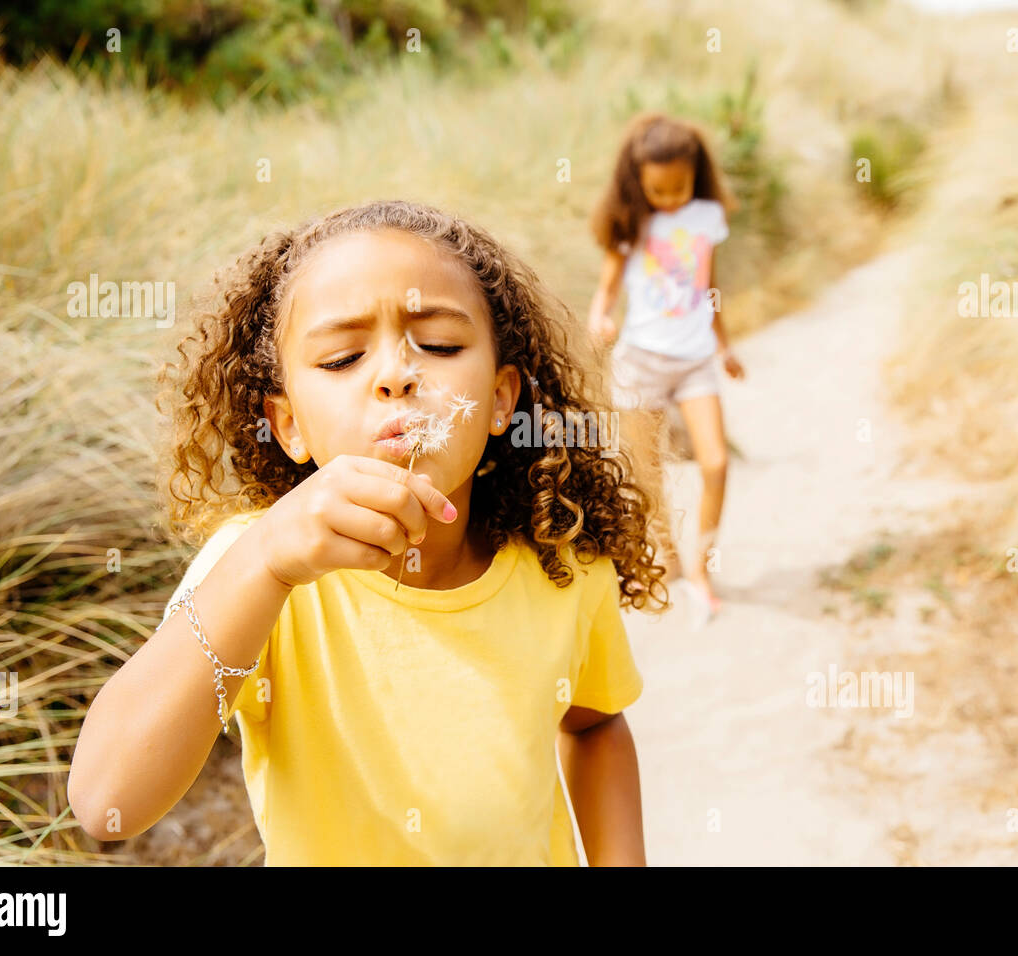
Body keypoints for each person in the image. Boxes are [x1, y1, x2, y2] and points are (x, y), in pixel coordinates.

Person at [67, 199, 671, 865]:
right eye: (342, 357)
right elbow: (106, 799)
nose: (394, 375)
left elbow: (594, 726)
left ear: (501, 400)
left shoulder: (563, 564)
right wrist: (264, 561)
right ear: (288, 422)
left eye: (439, 345)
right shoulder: (256, 568)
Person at [588, 112, 746, 622]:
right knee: (646, 473)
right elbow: (607, 289)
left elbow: (709, 286)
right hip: (640, 361)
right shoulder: (632, 222)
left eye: (680, 187)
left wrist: (725, 348)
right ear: (639, 182)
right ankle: (671, 559)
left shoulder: (705, 216)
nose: (671, 198)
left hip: (696, 358)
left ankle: (701, 563)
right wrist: (599, 318)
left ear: (694, 175)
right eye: (659, 190)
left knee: (716, 462)